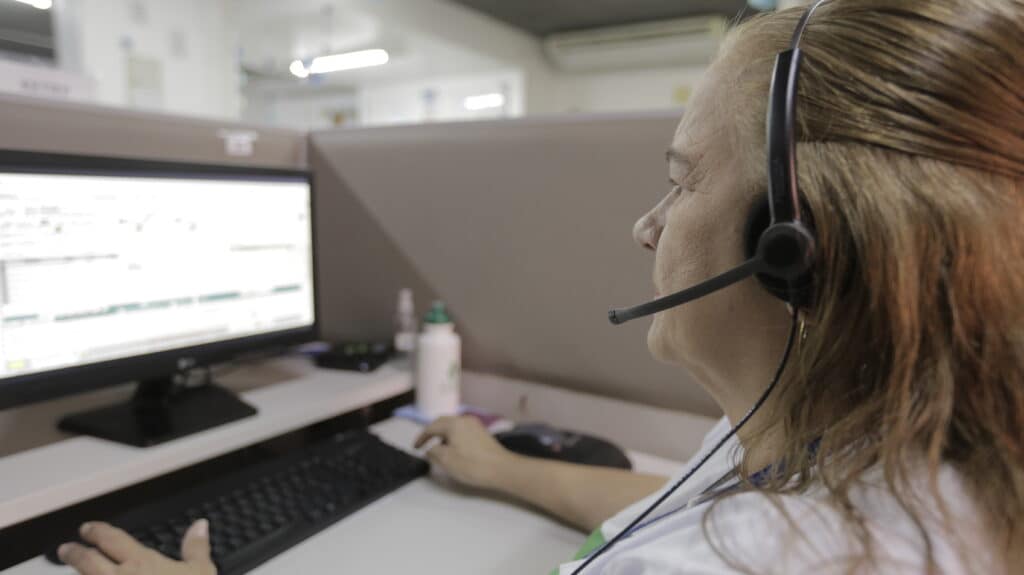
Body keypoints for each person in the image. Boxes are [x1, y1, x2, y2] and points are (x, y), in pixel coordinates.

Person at [58, 0, 1023, 573]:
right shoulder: (880, 436)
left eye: (684, 180)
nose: (648, 225)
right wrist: (506, 470)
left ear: (792, 247)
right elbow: (687, 496)